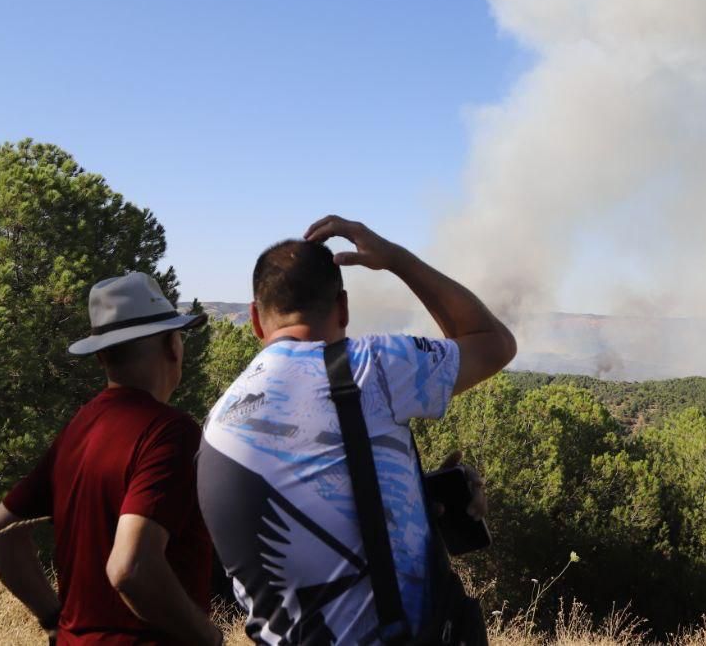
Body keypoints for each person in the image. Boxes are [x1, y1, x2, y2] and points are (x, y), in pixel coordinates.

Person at [197, 216, 516, 644]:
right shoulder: (375, 366)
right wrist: (396, 259)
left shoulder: (217, 424)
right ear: (344, 308)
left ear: (255, 320)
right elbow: (493, 341)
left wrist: (406, 496)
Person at [0, 272, 223, 646]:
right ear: (174, 345)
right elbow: (129, 568)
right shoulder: (171, 433)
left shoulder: (79, 428)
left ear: (103, 355)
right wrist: (210, 638)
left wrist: (54, 618)